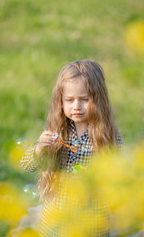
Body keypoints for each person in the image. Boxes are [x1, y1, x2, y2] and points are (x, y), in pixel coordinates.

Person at [21, 60, 123, 237]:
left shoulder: (108, 137)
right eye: (69, 100)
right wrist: (39, 150)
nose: (76, 106)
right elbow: (26, 164)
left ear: (98, 99)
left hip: (92, 222)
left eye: (84, 99)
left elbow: (120, 175)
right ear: (60, 101)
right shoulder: (56, 131)